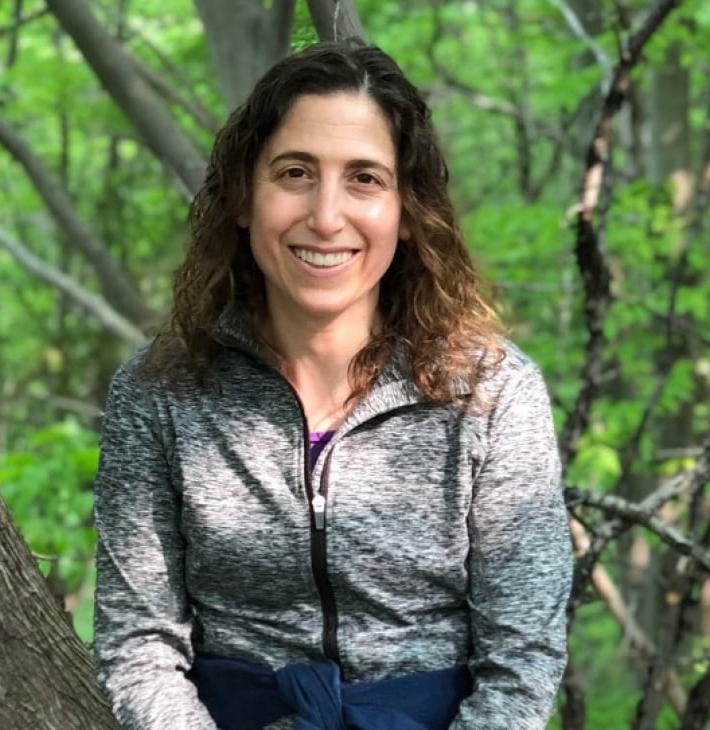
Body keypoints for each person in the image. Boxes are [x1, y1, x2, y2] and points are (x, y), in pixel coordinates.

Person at [92, 39, 573, 730]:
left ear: (408, 213)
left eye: (364, 179)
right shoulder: (160, 390)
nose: (325, 215)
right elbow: (138, 643)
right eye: (294, 173)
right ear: (242, 199)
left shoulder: (492, 394)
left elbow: (522, 659)